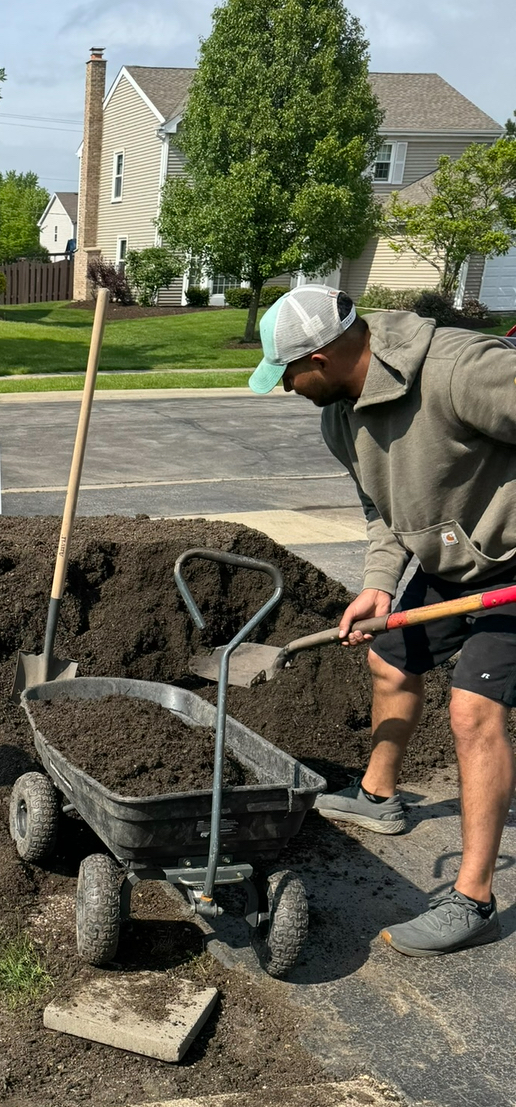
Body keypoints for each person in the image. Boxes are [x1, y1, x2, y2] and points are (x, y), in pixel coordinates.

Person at [249, 284, 516, 956]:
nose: (284, 388)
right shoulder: (339, 418)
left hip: (511, 564)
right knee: (388, 657)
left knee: (472, 710)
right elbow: (381, 511)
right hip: (448, 562)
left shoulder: (458, 371)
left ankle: (473, 898)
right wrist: (375, 586)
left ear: (321, 355)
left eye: (287, 373)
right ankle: (376, 793)